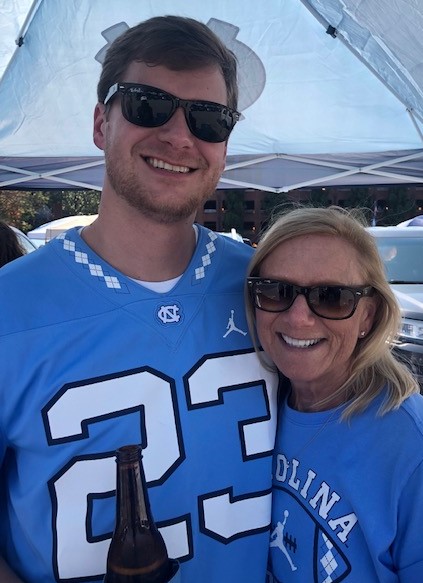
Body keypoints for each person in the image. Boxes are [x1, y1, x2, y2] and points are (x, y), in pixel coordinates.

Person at [0, 16, 278, 583]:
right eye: (147, 105)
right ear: (101, 123)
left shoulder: (274, 292)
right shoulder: (10, 307)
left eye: (208, 118)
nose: (179, 136)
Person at [245, 206, 423, 582]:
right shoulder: (253, 408)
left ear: (368, 316)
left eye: (331, 297)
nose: (298, 318)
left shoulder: (409, 445)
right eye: (275, 291)